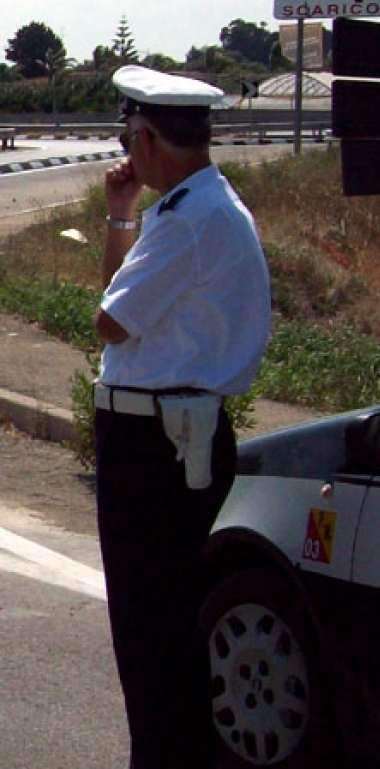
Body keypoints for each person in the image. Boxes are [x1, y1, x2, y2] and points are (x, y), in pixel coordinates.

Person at [93, 65, 271, 769]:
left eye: (129, 139)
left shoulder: (192, 221)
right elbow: (121, 302)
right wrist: (120, 214)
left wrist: (124, 226)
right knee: (165, 620)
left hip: (153, 440)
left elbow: (109, 321)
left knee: (149, 625)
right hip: (174, 431)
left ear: (145, 137)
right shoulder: (198, 207)